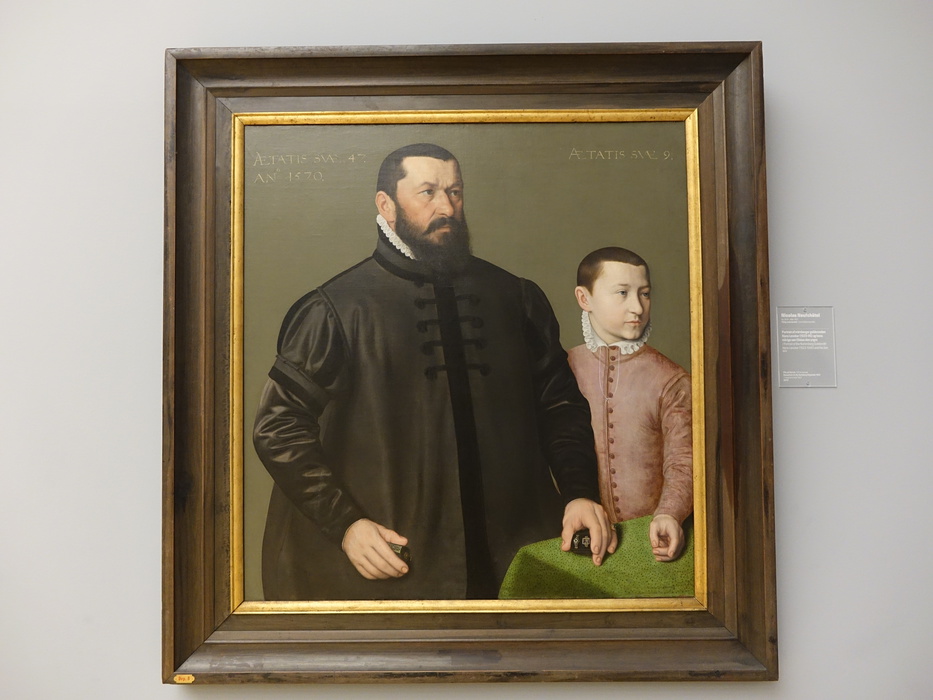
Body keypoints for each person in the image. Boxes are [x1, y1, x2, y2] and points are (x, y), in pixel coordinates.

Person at [253, 143, 616, 601]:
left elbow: (559, 406)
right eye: (427, 192)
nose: (446, 208)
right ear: (386, 205)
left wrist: (579, 493)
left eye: (455, 192)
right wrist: (346, 525)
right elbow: (278, 428)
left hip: (516, 556)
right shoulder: (335, 308)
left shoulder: (515, 295)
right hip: (389, 563)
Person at [568, 247, 693, 562]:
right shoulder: (564, 368)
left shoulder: (671, 378)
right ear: (584, 298)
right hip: (574, 537)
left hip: (651, 540)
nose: (637, 307)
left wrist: (669, 513)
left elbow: (684, 461)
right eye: (622, 293)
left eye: (645, 294)